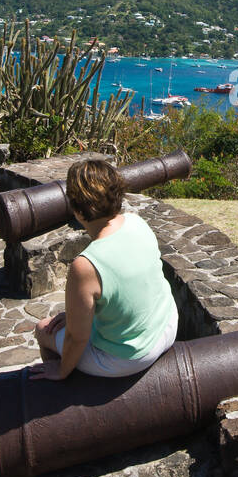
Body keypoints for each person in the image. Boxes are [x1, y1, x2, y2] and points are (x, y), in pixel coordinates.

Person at [29, 158, 179, 380]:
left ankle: (60, 390)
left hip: (130, 356)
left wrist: (61, 370)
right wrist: (73, 317)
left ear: (78, 211)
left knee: (44, 329)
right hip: (167, 325)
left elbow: (77, 338)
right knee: (68, 321)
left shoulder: (86, 265)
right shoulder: (136, 222)